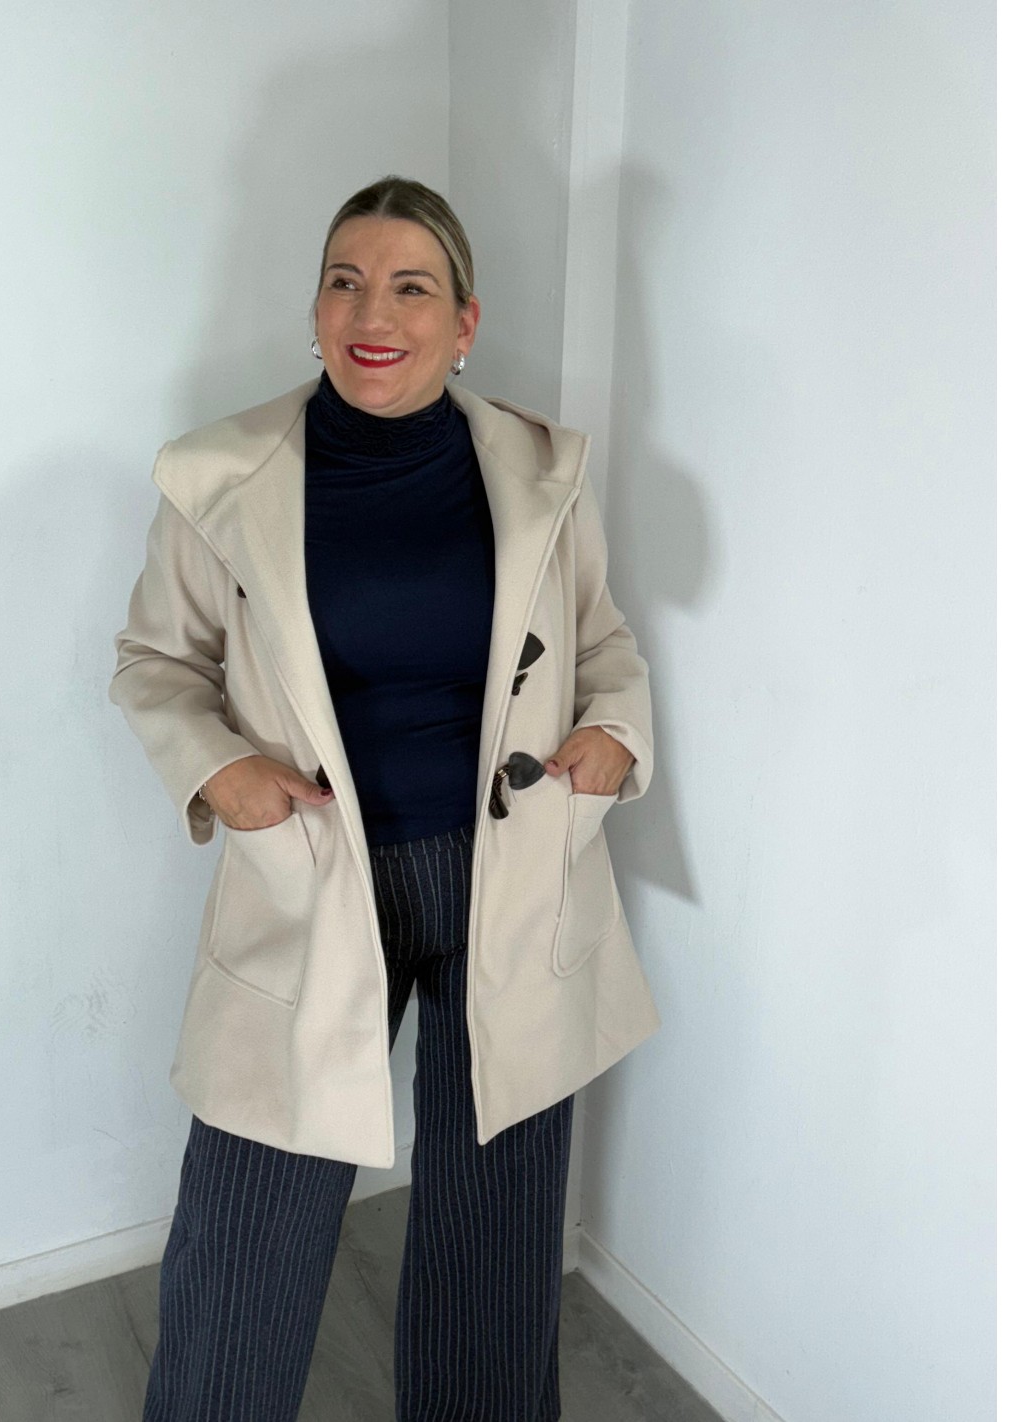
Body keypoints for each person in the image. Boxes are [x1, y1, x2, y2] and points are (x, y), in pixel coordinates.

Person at [109, 174, 662, 1422]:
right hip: (313, 876)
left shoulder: (540, 468)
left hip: (511, 874)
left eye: (411, 287)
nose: (373, 313)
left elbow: (603, 643)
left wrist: (612, 738)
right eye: (345, 282)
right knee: (245, 1238)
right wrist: (219, 770)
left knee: (494, 1250)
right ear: (313, 309)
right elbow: (154, 662)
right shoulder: (219, 476)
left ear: (463, 322)